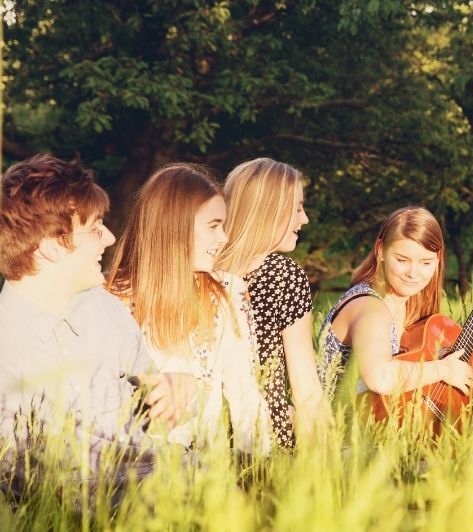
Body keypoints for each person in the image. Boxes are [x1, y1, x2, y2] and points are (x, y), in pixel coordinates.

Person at [0, 154, 193, 495]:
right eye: (94, 229)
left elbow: (153, 419)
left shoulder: (106, 310)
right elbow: (57, 485)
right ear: (51, 247)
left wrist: (171, 392)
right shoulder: (7, 349)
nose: (110, 238)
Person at [317, 206, 473, 432]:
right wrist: (443, 369)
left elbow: (454, 359)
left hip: (402, 402)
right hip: (356, 423)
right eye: (402, 260)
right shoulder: (370, 307)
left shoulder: (408, 302)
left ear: (438, 260)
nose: (414, 273)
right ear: (381, 251)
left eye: (425, 262)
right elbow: (379, 376)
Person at [106, 163, 272, 455]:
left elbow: (245, 392)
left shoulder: (227, 293)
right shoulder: (114, 301)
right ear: (174, 226)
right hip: (134, 471)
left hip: (206, 472)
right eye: (213, 226)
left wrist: (260, 473)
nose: (224, 238)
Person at [217, 158, 325, 450]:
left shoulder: (206, 268)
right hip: (265, 443)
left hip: (206, 444)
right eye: (298, 208)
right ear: (269, 210)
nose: (304, 220)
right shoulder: (283, 275)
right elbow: (306, 389)